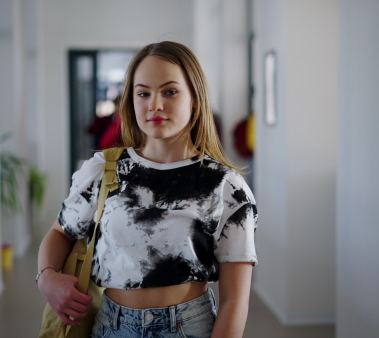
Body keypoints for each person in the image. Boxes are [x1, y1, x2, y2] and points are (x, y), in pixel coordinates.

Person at [37, 41, 258, 338]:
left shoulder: (225, 187)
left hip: (190, 327)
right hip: (112, 326)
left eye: (169, 91)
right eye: (143, 93)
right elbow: (61, 232)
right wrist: (46, 277)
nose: (155, 104)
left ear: (195, 98)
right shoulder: (103, 169)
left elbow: (235, 299)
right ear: (131, 102)